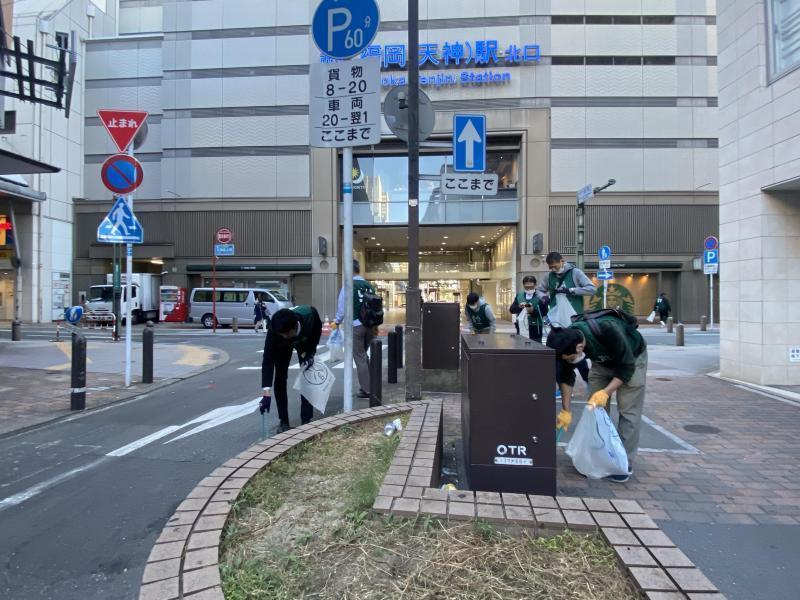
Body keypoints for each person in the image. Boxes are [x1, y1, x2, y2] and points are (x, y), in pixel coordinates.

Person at [547, 310, 648, 483]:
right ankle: (599, 455)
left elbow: (626, 367)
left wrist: (605, 392)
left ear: (579, 348)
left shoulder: (609, 329)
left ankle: (623, 462)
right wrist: (566, 410)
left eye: (571, 358)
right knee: (593, 408)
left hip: (632, 359)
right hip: (602, 363)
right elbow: (566, 376)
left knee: (628, 410)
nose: (570, 360)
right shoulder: (566, 341)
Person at [261, 306, 322, 433]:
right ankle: (284, 421)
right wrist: (266, 391)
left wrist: (310, 353)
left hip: (304, 342)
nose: (282, 336)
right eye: (280, 334)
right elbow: (268, 359)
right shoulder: (276, 331)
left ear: (293, 328)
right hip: (282, 347)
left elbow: (316, 334)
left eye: (285, 334)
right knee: (280, 378)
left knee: (307, 375)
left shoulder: (310, 316)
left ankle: (306, 420)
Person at [539, 252, 596, 386]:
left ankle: (589, 382)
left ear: (562, 261)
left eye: (555, 266)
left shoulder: (575, 273)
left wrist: (571, 290)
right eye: (550, 267)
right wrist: (543, 297)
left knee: (576, 352)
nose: (553, 269)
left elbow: (591, 289)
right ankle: (560, 384)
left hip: (574, 321)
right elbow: (540, 290)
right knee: (557, 353)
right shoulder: (549, 276)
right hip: (556, 322)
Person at [335, 260, 376, 400]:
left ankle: (368, 390)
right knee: (364, 356)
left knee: (359, 357)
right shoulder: (368, 285)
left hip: (356, 325)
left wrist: (337, 321)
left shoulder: (348, 285)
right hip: (370, 326)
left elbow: (342, 308)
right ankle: (372, 384)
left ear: (350, 270)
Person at [509, 275, 547, 341]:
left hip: (535, 328)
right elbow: (512, 310)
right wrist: (519, 307)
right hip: (521, 327)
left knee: (535, 347)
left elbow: (545, 312)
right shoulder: (519, 295)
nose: (529, 289)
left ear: (535, 285)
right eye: (526, 287)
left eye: (531, 287)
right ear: (523, 285)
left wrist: (533, 311)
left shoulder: (541, 296)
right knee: (521, 346)